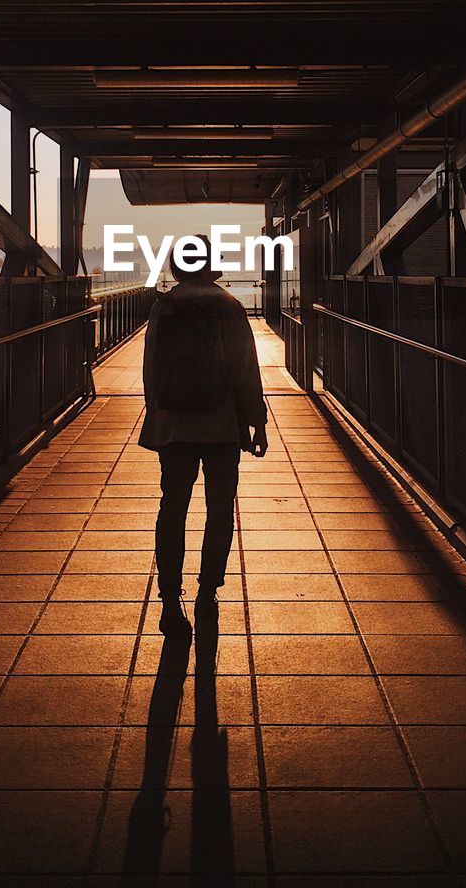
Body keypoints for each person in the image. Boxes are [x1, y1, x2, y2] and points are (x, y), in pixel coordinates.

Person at [139, 236, 268, 639]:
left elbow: (150, 371)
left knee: (172, 508)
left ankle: (169, 598)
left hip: (175, 427)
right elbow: (245, 368)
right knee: (218, 510)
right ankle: (208, 589)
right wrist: (256, 421)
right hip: (221, 427)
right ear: (212, 265)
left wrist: (159, 418)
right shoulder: (229, 307)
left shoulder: (163, 308)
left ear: (177, 267)